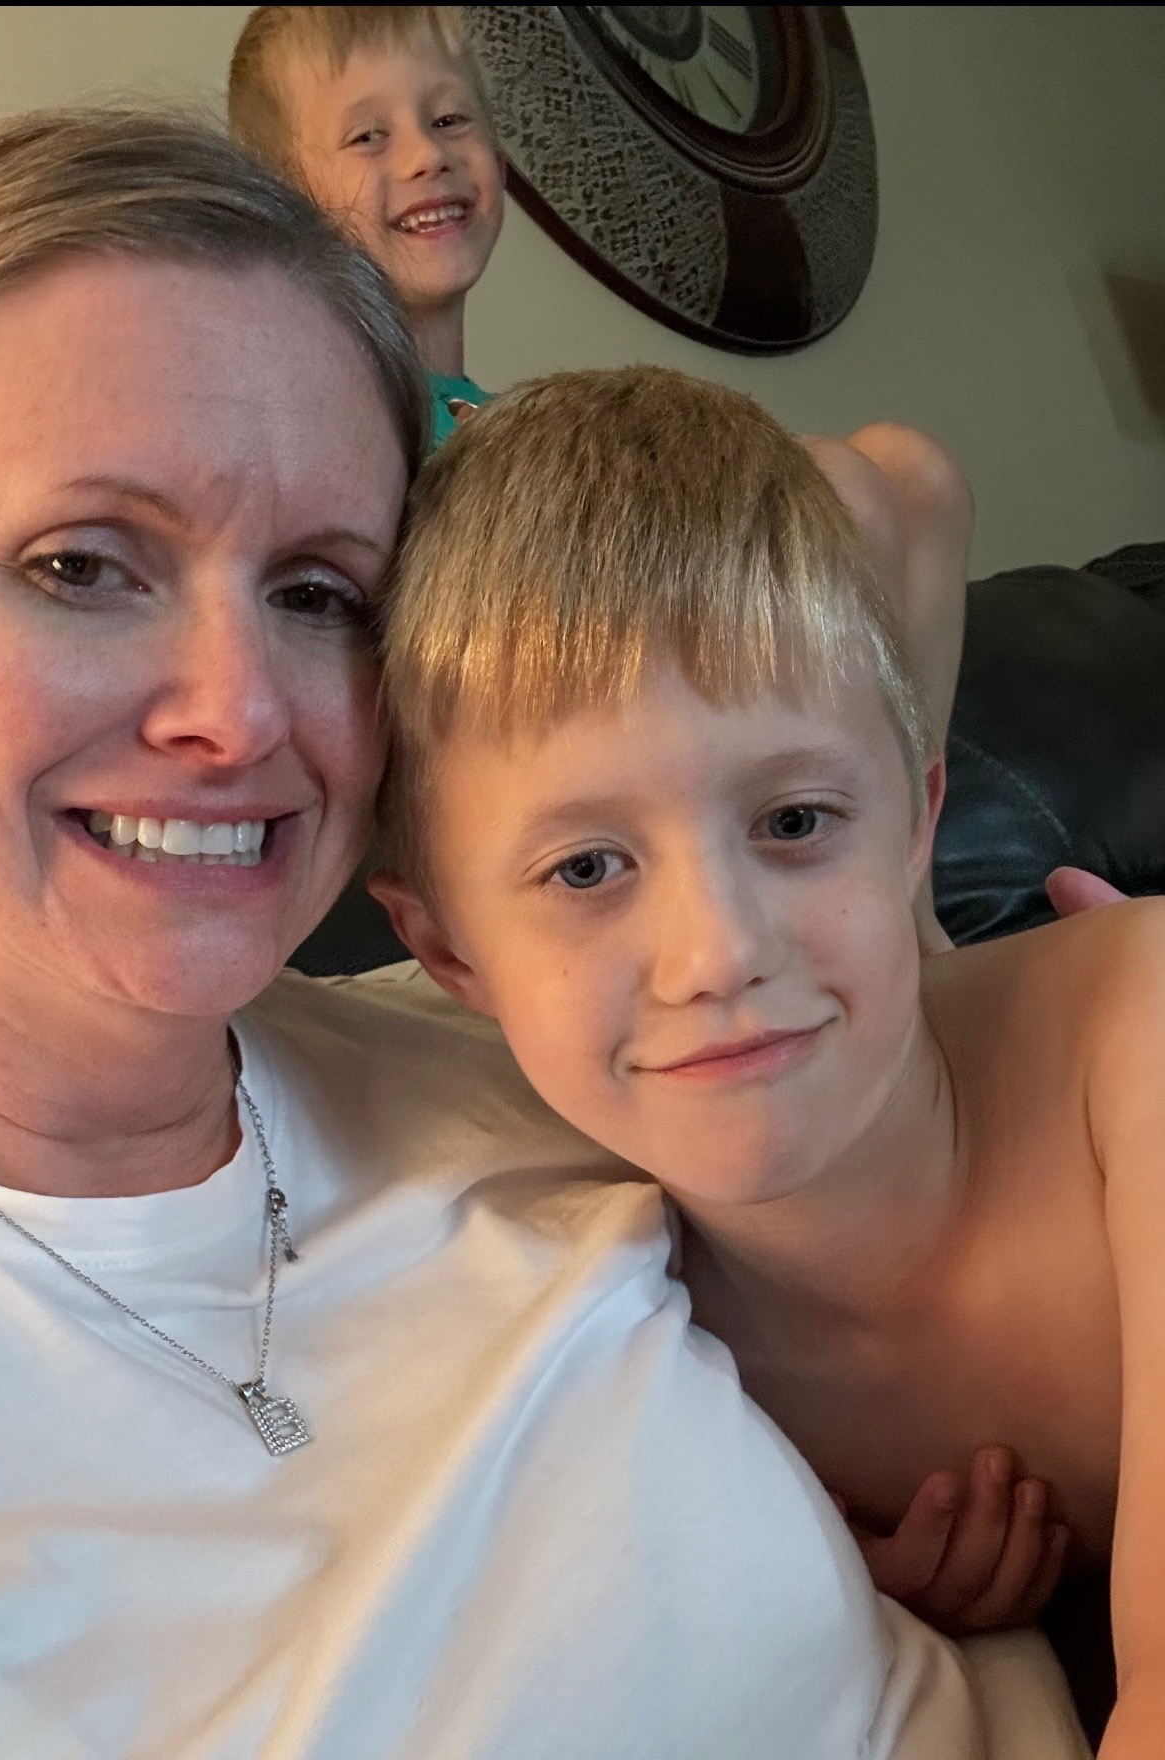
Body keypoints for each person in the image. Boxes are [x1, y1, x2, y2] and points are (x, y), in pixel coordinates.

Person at [0, 104, 1078, 1760]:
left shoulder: (537, 1035)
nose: (237, 710)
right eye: (82, 565)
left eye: (319, 593)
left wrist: (1051, 1017)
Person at [369, 366, 1161, 1758]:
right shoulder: (617, 1325)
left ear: (916, 826)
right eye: (588, 867)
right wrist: (844, 1583)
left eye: (794, 821)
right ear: (450, 955)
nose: (717, 951)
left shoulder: (1133, 1044)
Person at [226, 5, 976, 912]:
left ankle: (907, 893)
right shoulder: (334, 421)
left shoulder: (490, 419)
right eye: (368, 136)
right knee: (849, 485)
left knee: (916, 472)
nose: (427, 155)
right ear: (289, 199)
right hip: (517, 718)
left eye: (452, 118)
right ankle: (872, 900)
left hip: (613, 648)